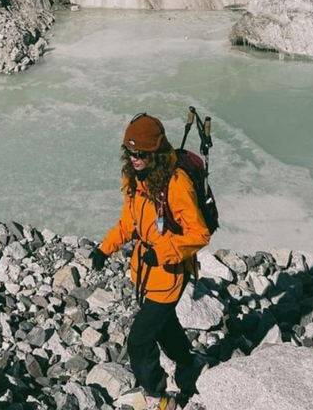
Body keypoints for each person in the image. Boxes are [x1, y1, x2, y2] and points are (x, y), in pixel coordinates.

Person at [90, 113, 211, 410]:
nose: (134, 158)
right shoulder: (135, 179)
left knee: (140, 341)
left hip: (170, 273)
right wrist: (105, 249)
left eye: (140, 153)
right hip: (145, 272)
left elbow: (200, 233)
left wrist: (164, 251)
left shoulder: (176, 185)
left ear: (155, 151)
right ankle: (189, 363)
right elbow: (128, 223)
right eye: (130, 152)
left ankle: (157, 398)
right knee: (165, 324)